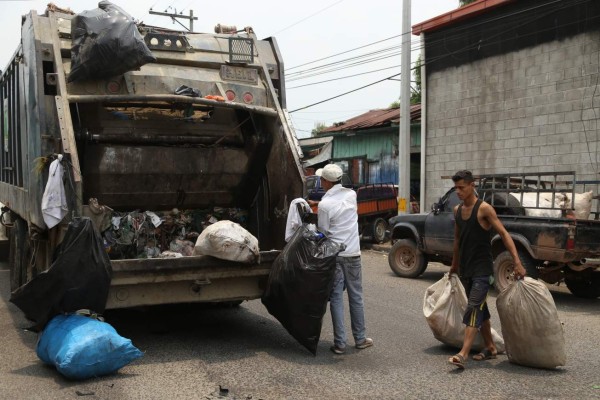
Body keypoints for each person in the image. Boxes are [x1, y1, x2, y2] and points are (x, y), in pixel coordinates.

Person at [447, 170, 526, 369]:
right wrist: (454, 265)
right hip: (466, 269)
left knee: (473, 306)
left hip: (483, 270)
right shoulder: (456, 211)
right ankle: (490, 347)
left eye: (461, 187)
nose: (458, 191)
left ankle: (463, 354)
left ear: (472, 185)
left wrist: (516, 261)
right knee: (481, 308)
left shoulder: (484, 209)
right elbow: (457, 240)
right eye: (456, 188)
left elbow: (504, 234)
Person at [310, 164, 373, 355]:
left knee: (336, 297)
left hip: (335, 255)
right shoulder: (351, 195)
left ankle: (340, 343)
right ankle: (360, 339)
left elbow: (323, 231)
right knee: (356, 296)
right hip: (353, 253)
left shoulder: (325, 205)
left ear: (326, 181)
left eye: (322, 179)